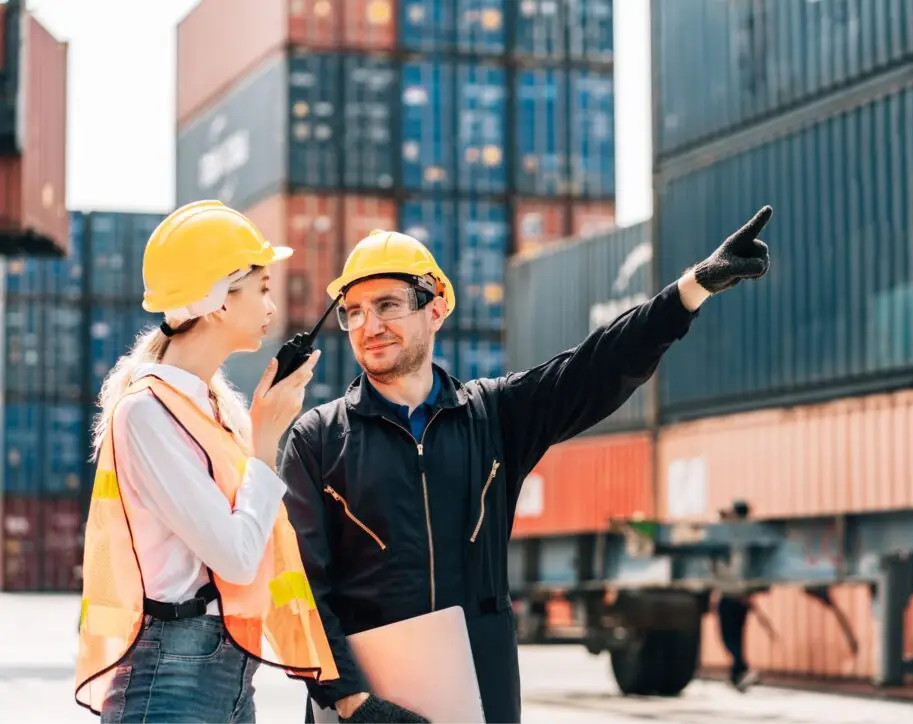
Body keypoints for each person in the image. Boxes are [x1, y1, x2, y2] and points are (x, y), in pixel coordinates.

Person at [280, 208, 774, 723]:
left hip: (481, 707)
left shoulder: (494, 418)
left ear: (436, 309)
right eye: (353, 311)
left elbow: (595, 368)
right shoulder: (317, 441)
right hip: (359, 713)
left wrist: (690, 290)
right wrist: (351, 700)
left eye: (387, 305)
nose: (369, 326)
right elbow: (293, 586)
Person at [74, 200, 339, 723]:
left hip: (228, 671)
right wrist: (266, 436)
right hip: (171, 676)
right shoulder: (146, 414)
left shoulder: (211, 409)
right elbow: (238, 557)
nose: (271, 304)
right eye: (261, 287)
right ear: (218, 302)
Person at [715, 500, 763, 693]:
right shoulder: (750, 534)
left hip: (730, 595)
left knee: (729, 638)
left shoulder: (731, 534)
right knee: (736, 638)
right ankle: (737, 676)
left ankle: (742, 669)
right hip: (740, 596)